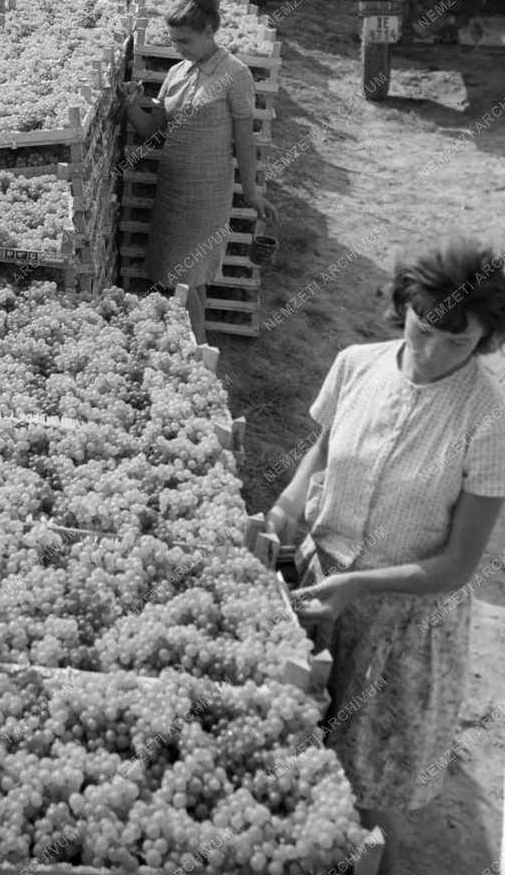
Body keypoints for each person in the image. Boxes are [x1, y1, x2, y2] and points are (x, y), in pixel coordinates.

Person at [265, 238, 505, 875]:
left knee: (363, 799)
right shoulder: (355, 366)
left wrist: (359, 586)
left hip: (401, 627)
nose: (430, 353)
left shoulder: (488, 421)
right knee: (292, 755)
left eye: (457, 343)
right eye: (421, 329)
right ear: (401, 305)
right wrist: (289, 506)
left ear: (485, 340)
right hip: (318, 590)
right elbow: (321, 452)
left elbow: (457, 565)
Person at [121, 0, 275, 343]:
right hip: (172, 190)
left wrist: (251, 193)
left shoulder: (235, 75)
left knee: (187, 280)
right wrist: (129, 105)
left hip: (206, 195)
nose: (178, 49)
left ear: (209, 31)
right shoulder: (176, 75)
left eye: (185, 42)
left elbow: (244, 140)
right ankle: (193, 351)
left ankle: (199, 361)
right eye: (174, 42)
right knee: (183, 279)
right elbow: (152, 130)